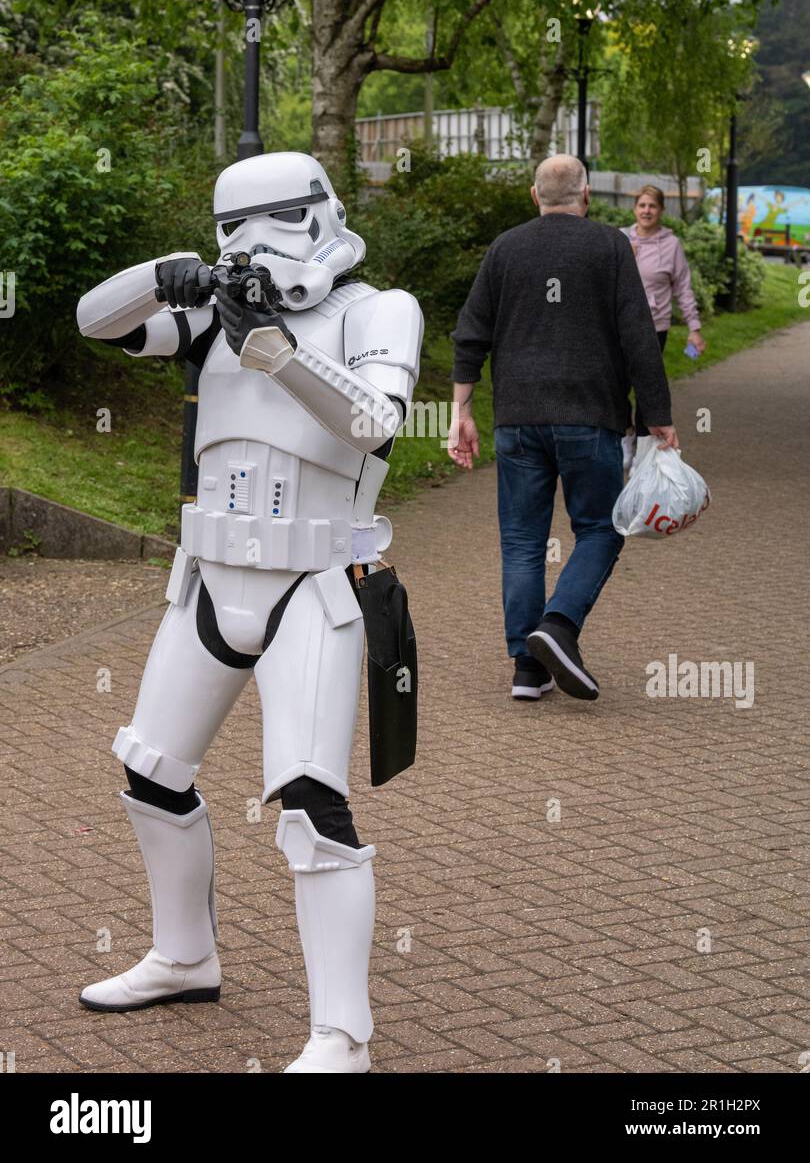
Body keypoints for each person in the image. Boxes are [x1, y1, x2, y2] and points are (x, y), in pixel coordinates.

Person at [75, 152, 423, 1074]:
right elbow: (94, 323)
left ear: (319, 216)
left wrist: (274, 345)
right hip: (207, 581)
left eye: (272, 220)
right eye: (234, 227)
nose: (252, 244)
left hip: (310, 586)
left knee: (310, 805)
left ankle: (341, 1032)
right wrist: (166, 277)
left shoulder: (375, 311)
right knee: (151, 773)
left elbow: (376, 424)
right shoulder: (207, 322)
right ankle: (184, 955)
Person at [447, 155, 677, 703]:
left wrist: (461, 413)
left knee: (522, 542)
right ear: (587, 195)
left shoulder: (505, 248)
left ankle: (528, 670)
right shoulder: (609, 247)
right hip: (589, 417)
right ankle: (559, 625)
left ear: (534, 196)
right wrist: (658, 418)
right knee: (600, 528)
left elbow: (469, 334)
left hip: (518, 420)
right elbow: (639, 338)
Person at [620, 186, 705, 473]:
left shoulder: (671, 245)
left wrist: (694, 328)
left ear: (660, 211)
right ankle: (626, 435)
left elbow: (683, 288)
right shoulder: (620, 239)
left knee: (647, 387)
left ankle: (643, 453)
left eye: (652, 206)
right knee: (616, 386)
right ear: (634, 209)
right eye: (641, 205)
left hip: (654, 327)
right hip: (618, 326)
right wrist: (625, 257)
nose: (646, 210)